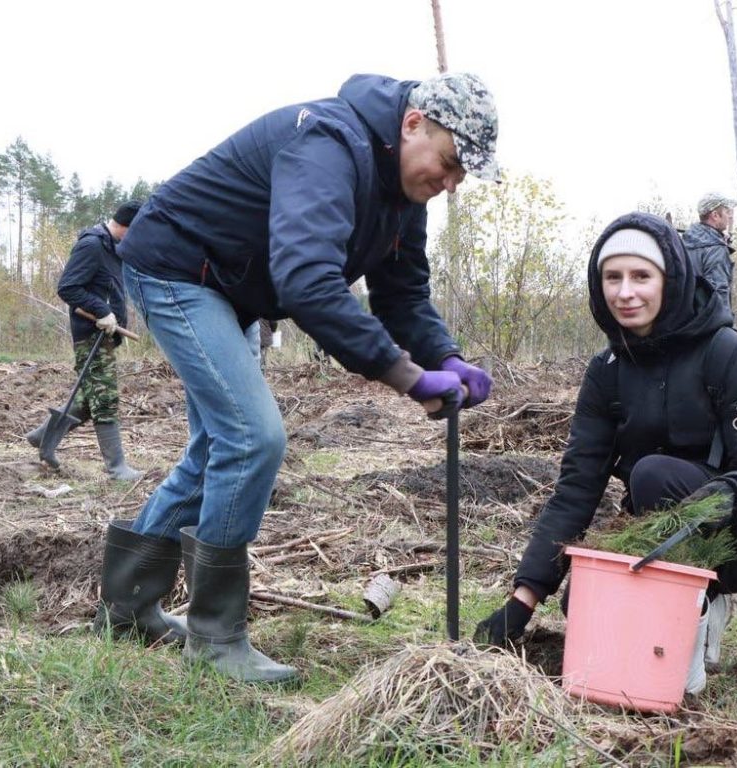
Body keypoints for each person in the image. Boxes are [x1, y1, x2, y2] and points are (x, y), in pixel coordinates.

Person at [94, 72, 498, 684]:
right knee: (253, 438)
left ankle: (125, 608)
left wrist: (444, 356)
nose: (445, 185)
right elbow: (307, 279)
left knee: (218, 447)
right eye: (445, 165)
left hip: (229, 287)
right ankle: (216, 638)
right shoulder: (329, 145)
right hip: (178, 270)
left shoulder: (401, 194)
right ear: (413, 123)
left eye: (456, 179)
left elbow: (404, 291)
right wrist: (406, 376)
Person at [475, 212, 737, 695]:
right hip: (670, 522)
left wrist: (729, 492)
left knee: (654, 476)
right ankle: (698, 591)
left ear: (670, 280)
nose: (625, 292)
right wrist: (523, 599)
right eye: (612, 277)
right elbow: (576, 490)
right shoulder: (607, 372)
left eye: (641, 276)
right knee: (585, 604)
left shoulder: (725, 353)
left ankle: (693, 619)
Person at [25, 201, 144, 481]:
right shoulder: (92, 245)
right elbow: (67, 287)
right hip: (91, 334)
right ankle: (117, 468)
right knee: (104, 398)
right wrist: (102, 311)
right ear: (128, 226)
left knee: (89, 400)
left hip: (105, 336)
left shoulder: (113, 249)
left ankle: (42, 437)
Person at [683, 192, 737, 315]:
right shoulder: (716, 249)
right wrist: (726, 327)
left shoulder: (685, 242)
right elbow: (718, 296)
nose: (729, 217)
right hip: (708, 327)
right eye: (727, 212)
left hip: (684, 325)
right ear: (715, 215)